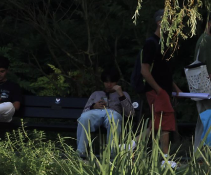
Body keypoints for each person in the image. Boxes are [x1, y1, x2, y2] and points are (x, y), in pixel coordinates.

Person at [141, 11, 179, 152]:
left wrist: (174, 87)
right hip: (157, 90)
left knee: (163, 125)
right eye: (169, 20)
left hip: (163, 89)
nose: (171, 24)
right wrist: (159, 90)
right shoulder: (151, 43)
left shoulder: (164, 44)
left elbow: (163, 71)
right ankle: (128, 146)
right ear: (159, 22)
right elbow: (144, 70)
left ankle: (164, 158)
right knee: (160, 124)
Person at [76, 74, 135, 158]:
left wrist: (120, 94)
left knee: (114, 119)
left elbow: (130, 113)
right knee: (84, 118)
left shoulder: (123, 94)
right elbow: (84, 111)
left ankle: (112, 154)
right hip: (96, 112)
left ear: (116, 82)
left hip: (113, 113)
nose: (109, 85)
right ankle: (80, 152)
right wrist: (93, 106)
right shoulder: (96, 94)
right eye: (106, 82)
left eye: (112, 82)